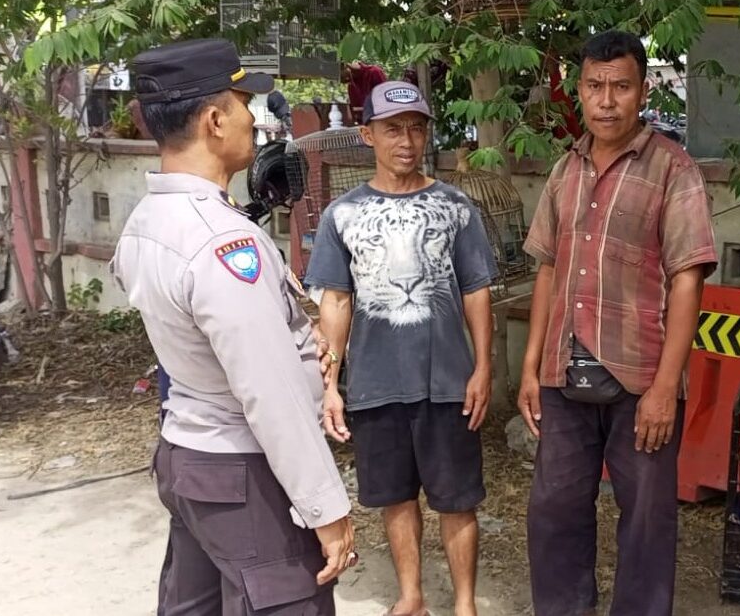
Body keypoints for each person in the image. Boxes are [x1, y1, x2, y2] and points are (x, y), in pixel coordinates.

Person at [111, 38, 355, 616]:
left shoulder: (146, 221)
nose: (253, 116)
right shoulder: (223, 242)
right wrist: (327, 508)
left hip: (189, 454)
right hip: (242, 469)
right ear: (216, 120)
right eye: (244, 103)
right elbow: (267, 395)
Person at [519, 29, 718, 616]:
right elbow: (548, 271)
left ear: (642, 90)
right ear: (579, 90)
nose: (607, 100)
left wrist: (664, 388)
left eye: (621, 87)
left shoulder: (673, 170)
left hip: (640, 382)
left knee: (647, 524)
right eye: (595, 86)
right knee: (554, 510)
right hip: (562, 374)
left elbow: (689, 279)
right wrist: (530, 367)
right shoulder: (564, 170)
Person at [304, 80, 497, 616]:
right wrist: (330, 384)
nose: (406, 140)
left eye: (416, 127)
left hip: (447, 382)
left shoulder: (456, 206)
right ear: (367, 134)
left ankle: (464, 605)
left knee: (458, 500)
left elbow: (476, 290)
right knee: (394, 496)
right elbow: (336, 300)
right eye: (393, 128)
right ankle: (411, 596)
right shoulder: (341, 215)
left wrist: (483, 367)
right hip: (373, 382)